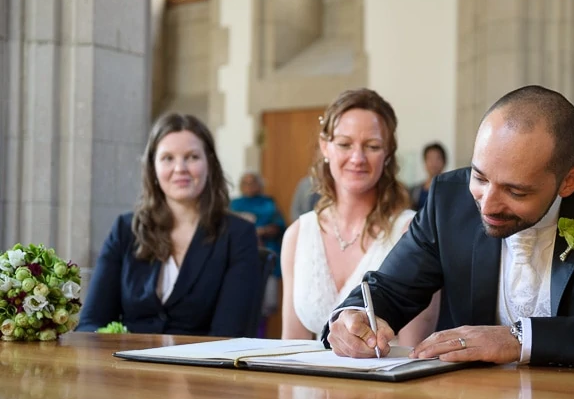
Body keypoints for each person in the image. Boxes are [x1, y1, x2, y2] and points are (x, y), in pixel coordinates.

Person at [325, 85, 574, 374]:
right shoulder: (448, 199)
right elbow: (387, 291)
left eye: (516, 190)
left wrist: (521, 338)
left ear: (569, 181)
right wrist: (353, 316)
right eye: (480, 177)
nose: (487, 205)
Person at [77, 113, 262, 336]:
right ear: (152, 168)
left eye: (192, 157)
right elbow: (90, 323)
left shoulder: (238, 234)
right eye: (168, 158)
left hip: (202, 367)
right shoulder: (125, 230)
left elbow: (229, 334)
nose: (180, 168)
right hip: (128, 367)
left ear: (210, 164)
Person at [280, 88, 439, 344]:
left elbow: (414, 351)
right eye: (344, 144)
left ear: (387, 154)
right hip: (309, 383)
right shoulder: (298, 234)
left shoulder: (411, 234)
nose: (357, 158)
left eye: (372, 146)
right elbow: (291, 344)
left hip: (388, 381)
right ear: (325, 147)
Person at [230, 171, 286, 329]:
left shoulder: (268, 203)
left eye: (253, 182)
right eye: (245, 182)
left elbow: (279, 227)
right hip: (240, 258)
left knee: (266, 305)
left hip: (266, 254)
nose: (249, 186)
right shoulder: (234, 204)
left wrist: (260, 232)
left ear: (260, 185)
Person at [408, 142, 448, 211]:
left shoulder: (451, 189)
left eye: (437, 158)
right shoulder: (415, 191)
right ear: (425, 162)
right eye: (430, 158)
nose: (434, 163)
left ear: (444, 162)